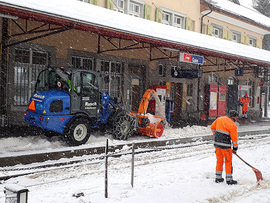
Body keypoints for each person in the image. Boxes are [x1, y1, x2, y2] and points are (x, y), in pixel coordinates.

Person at [210, 110, 239, 185]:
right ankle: (229, 180)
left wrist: (216, 135)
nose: (237, 119)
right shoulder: (232, 124)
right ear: (233, 117)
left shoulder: (219, 119)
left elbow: (212, 127)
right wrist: (235, 148)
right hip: (225, 146)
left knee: (219, 160)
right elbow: (234, 138)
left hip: (217, 144)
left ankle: (218, 178)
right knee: (228, 162)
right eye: (236, 117)